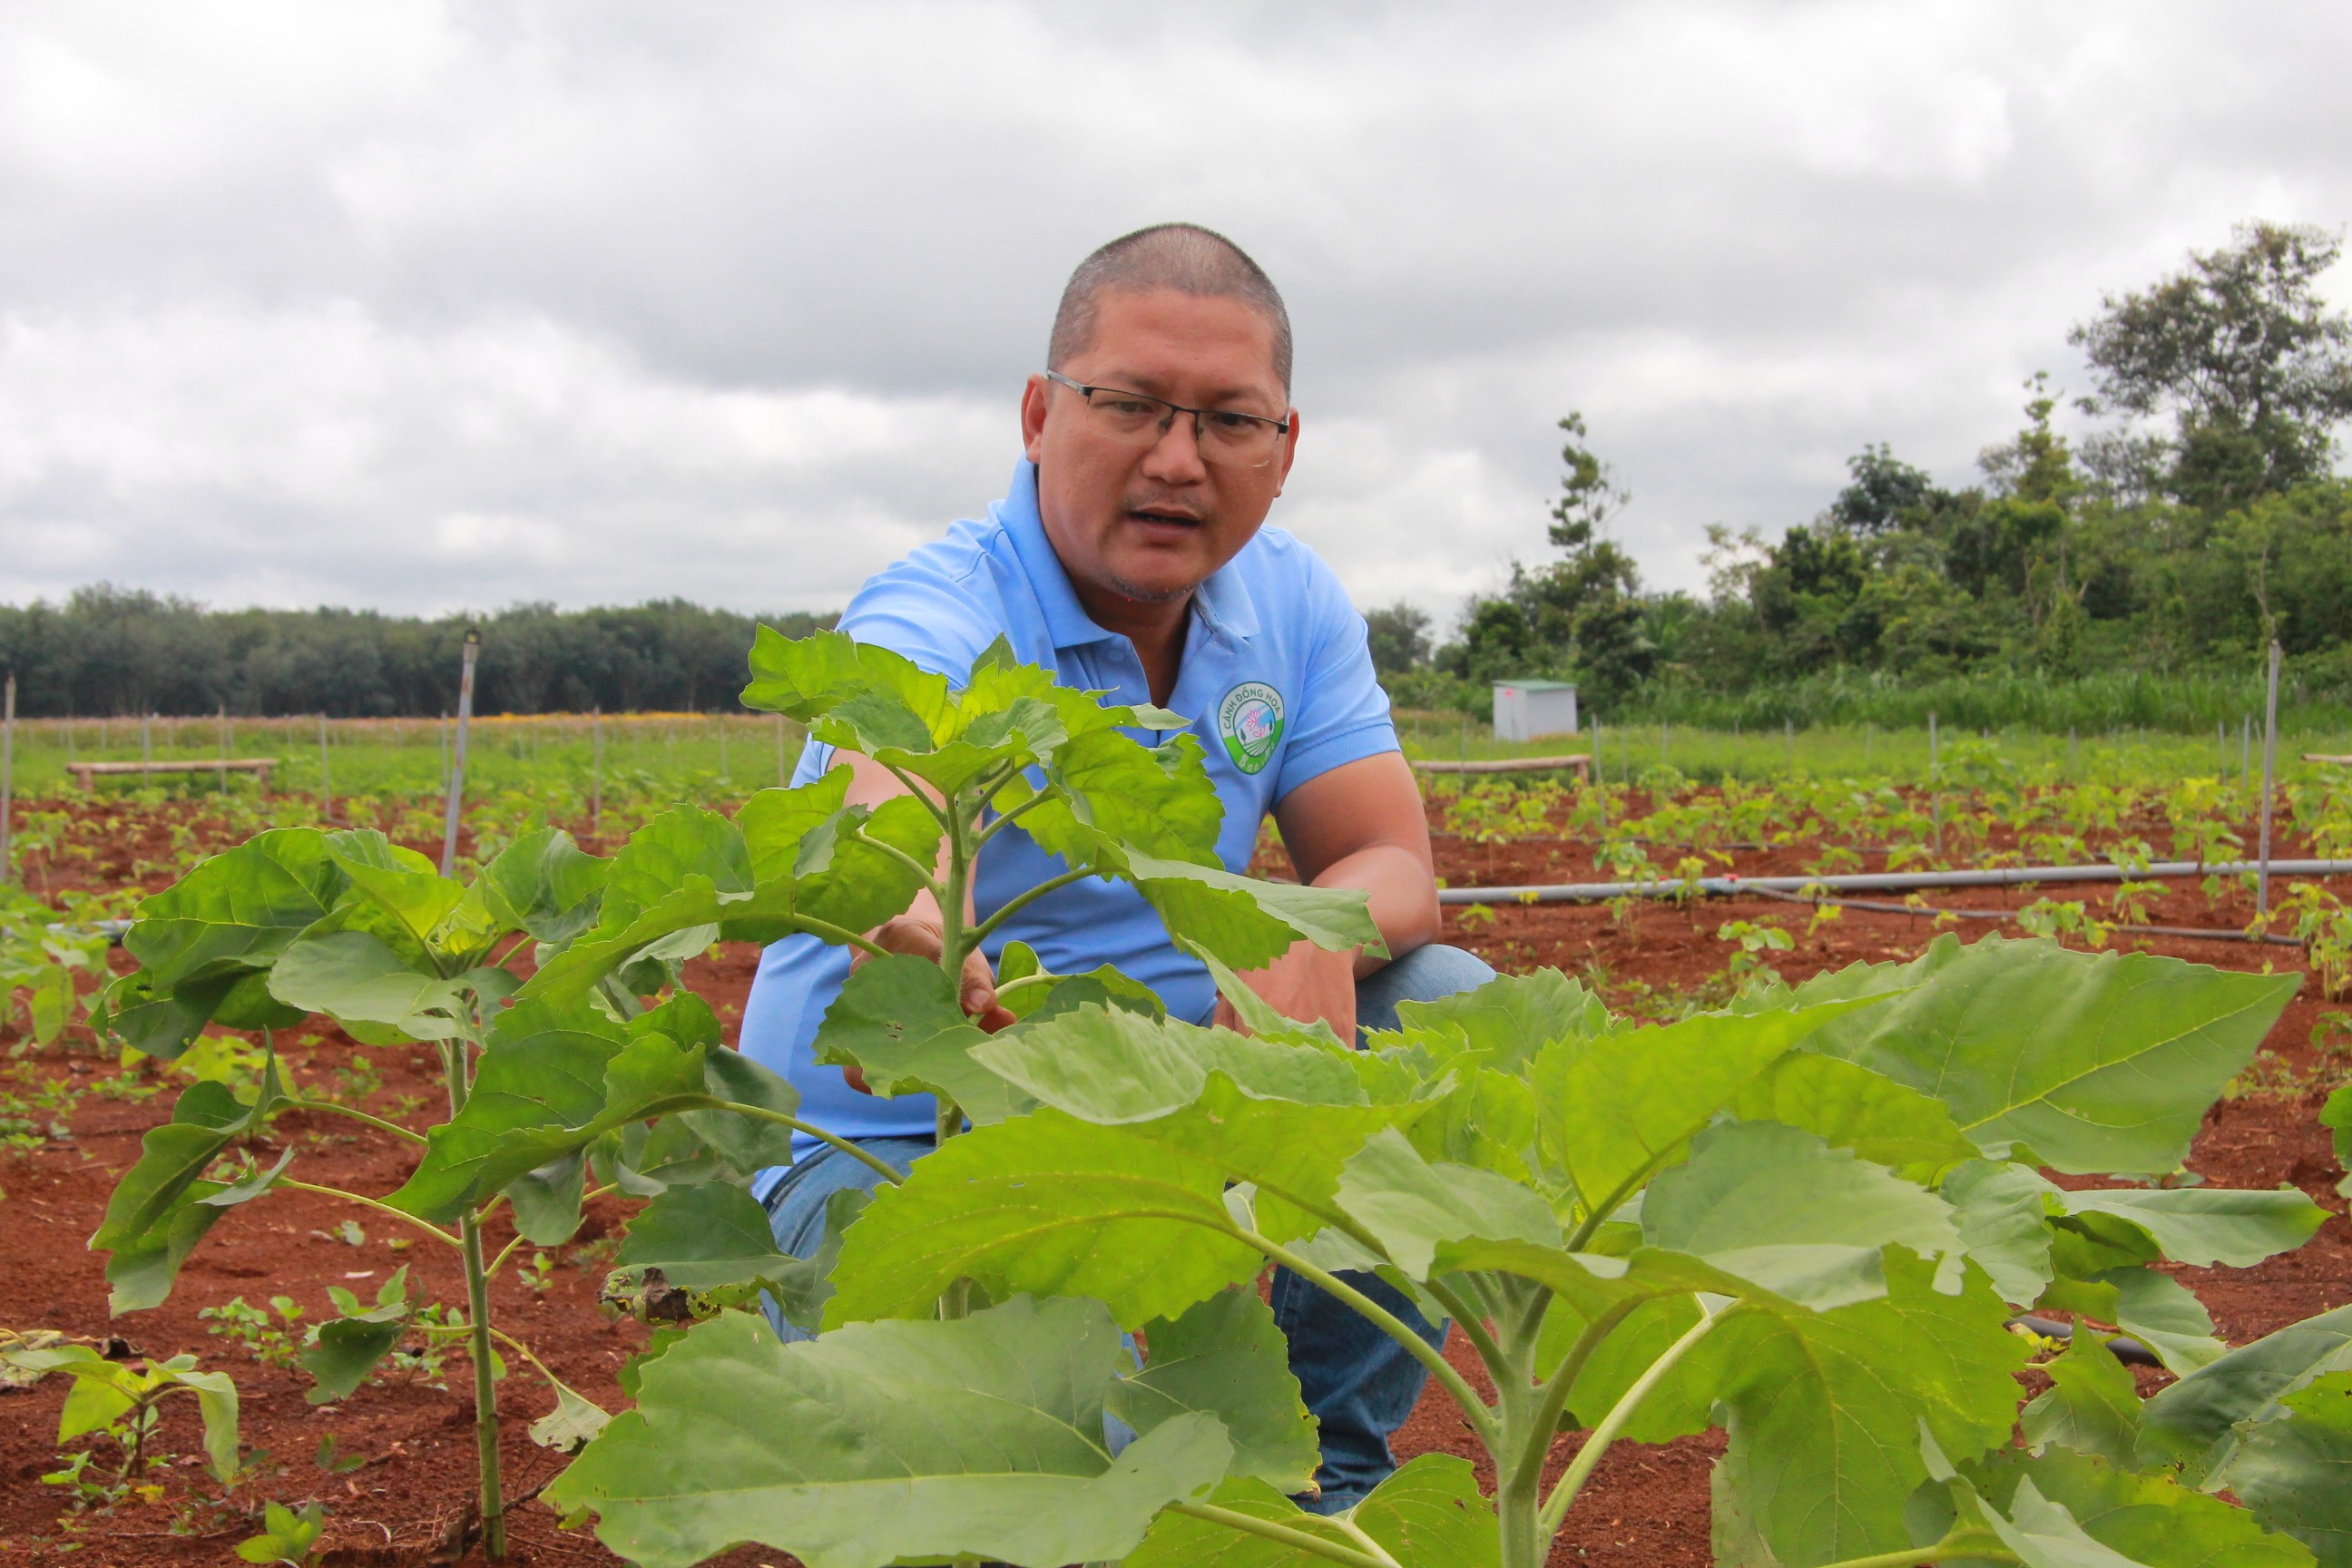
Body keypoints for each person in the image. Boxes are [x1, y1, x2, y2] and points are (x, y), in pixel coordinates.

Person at [736, 221, 1494, 1513]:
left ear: (1285, 447)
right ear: (1039, 414)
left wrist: (1322, 931)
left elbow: (1391, 858)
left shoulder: (1289, 601)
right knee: (1061, 1487)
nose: (1177, 460)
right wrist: (919, 919)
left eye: (1228, 421)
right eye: (1132, 406)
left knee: (1441, 1001)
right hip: (905, 1137)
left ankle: (1323, 1488)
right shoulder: (942, 610)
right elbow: (883, 827)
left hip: (1161, 1100)